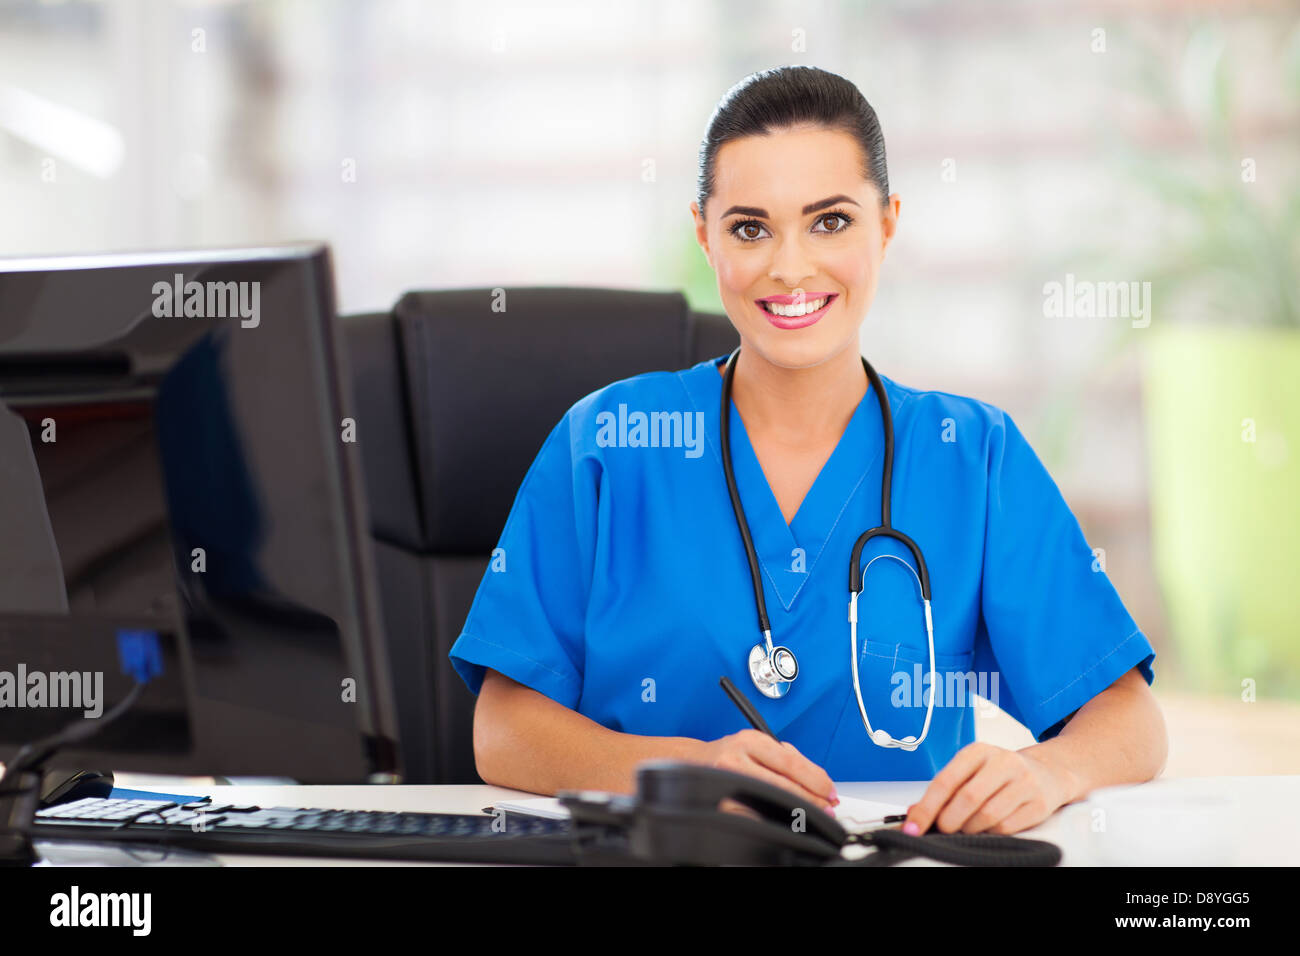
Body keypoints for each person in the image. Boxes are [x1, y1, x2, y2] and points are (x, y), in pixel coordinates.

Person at [449, 65, 1166, 836]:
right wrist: (682, 771)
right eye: (750, 228)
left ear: (887, 223)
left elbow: (1128, 718)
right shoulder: (608, 444)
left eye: (831, 221)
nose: (790, 267)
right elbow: (503, 728)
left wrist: (1045, 770)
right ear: (705, 235)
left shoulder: (972, 455)